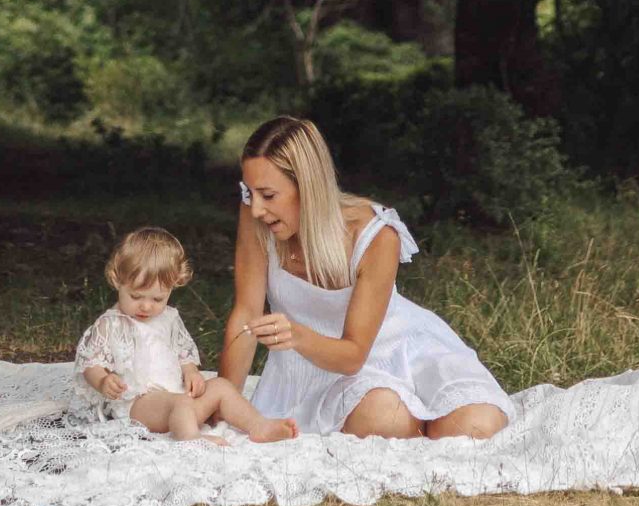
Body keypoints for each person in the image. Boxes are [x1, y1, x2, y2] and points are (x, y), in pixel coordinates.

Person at [220, 113, 512, 439]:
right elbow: (246, 314)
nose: (257, 208)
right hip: (322, 374)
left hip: (389, 351)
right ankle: (413, 422)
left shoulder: (376, 234)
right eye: (250, 193)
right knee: (386, 420)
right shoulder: (257, 216)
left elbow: (354, 354)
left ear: (309, 186)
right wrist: (222, 403)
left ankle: (428, 413)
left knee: (474, 426)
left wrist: (296, 335)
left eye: (268, 195)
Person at [73, 223, 299, 442]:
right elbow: (89, 362)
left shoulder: (168, 318)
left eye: (157, 298)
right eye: (136, 296)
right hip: (141, 405)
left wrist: (191, 372)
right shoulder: (111, 324)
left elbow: (183, 352)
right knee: (179, 405)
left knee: (221, 386)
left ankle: (258, 425)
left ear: (173, 287)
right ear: (117, 280)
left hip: (178, 398)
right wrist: (103, 381)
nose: (146, 306)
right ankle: (192, 439)